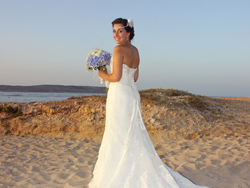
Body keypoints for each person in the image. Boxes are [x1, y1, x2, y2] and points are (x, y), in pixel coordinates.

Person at [88, 18, 209, 188]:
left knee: (117, 134)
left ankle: (119, 173)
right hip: (131, 95)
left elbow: (116, 77)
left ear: (128, 32)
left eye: (120, 31)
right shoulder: (135, 51)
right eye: (114, 31)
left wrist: (102, 74)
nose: (116, 35)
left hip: (119, 96)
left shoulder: (118, 49)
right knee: (131, 133)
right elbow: (135, 77)